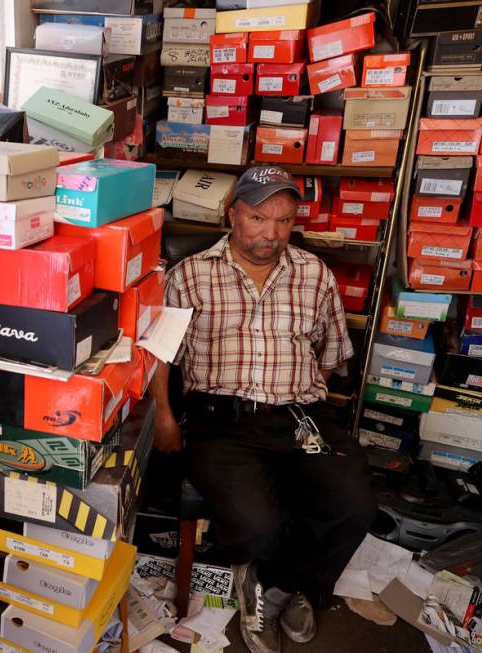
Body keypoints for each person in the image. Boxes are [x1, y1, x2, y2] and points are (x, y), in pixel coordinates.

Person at [150, 166, 376, 653]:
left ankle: (273, 587)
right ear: (232, 214)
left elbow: (333, 357)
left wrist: (295, 393)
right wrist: (165, 418)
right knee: (257, 524)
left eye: (283, 221)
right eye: (257, 217)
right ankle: (277, 582)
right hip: (222, 421)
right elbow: (159, 356)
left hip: (301, 418)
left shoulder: (314, 273)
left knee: (356, 508)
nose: (269, 233)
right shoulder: (188, 275)